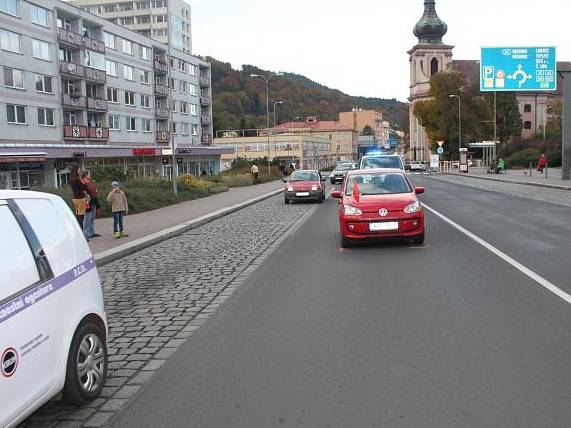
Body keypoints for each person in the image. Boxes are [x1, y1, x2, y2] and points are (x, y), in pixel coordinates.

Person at [81, 170, 100, 239]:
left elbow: (95, 190)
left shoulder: (91, 181)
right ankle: (86, 233)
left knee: (92, 218)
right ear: (85, 175)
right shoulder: (83, 182)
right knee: (87, 218)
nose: (90, 175)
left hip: (94, 201)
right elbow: (85, 192)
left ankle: (91, 232)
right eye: (89, 174)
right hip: (87, 202)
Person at [69, 164, 88, 229]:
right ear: (76, 170)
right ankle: (81, 233)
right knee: (81, 216)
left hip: (75, 198)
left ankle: (79, 231)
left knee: (78, 215)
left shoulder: (71, 178)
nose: (80, 170)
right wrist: (84, 183)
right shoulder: (77, 179)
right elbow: (84, 187)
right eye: (79, 169)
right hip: (80, 199)